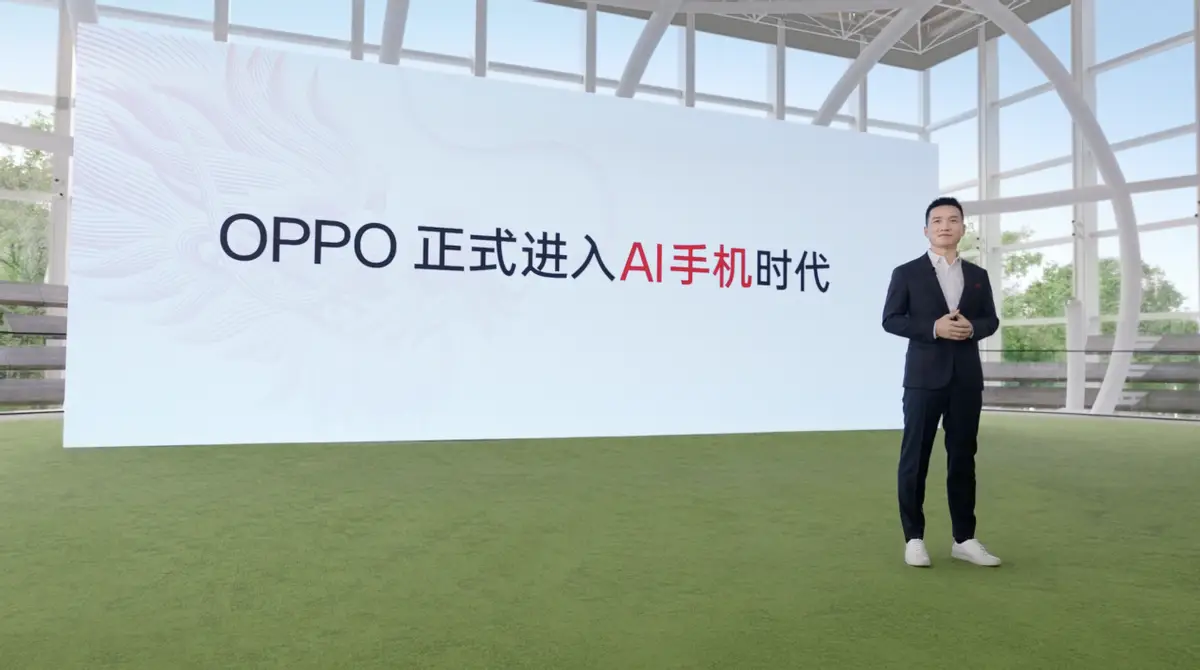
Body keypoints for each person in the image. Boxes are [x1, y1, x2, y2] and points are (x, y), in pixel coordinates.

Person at [881, 196, 1002, 568]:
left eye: (952, 220)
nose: (945, 226)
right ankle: (914, 538)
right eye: (937, 221)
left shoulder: (978, 276)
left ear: (963, 228)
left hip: (965, 379)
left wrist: (972, 329)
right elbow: (891, 319)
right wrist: (933, 327)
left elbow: (991, 320)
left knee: (963, 459)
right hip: (922, 379)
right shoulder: (906, 273)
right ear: (926, 230)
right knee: (915, 459)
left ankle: (964, 539)